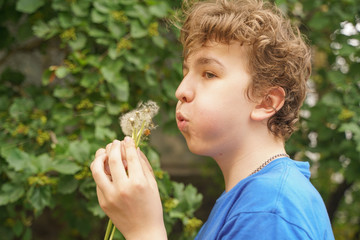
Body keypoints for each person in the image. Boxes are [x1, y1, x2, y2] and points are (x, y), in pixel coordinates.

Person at [90, 0, 335, 239]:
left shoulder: (268, 210)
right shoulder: (249, 198)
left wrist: (144, 230)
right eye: (185, 72)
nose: (181, 90)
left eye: (209, 74)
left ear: (266, 102)